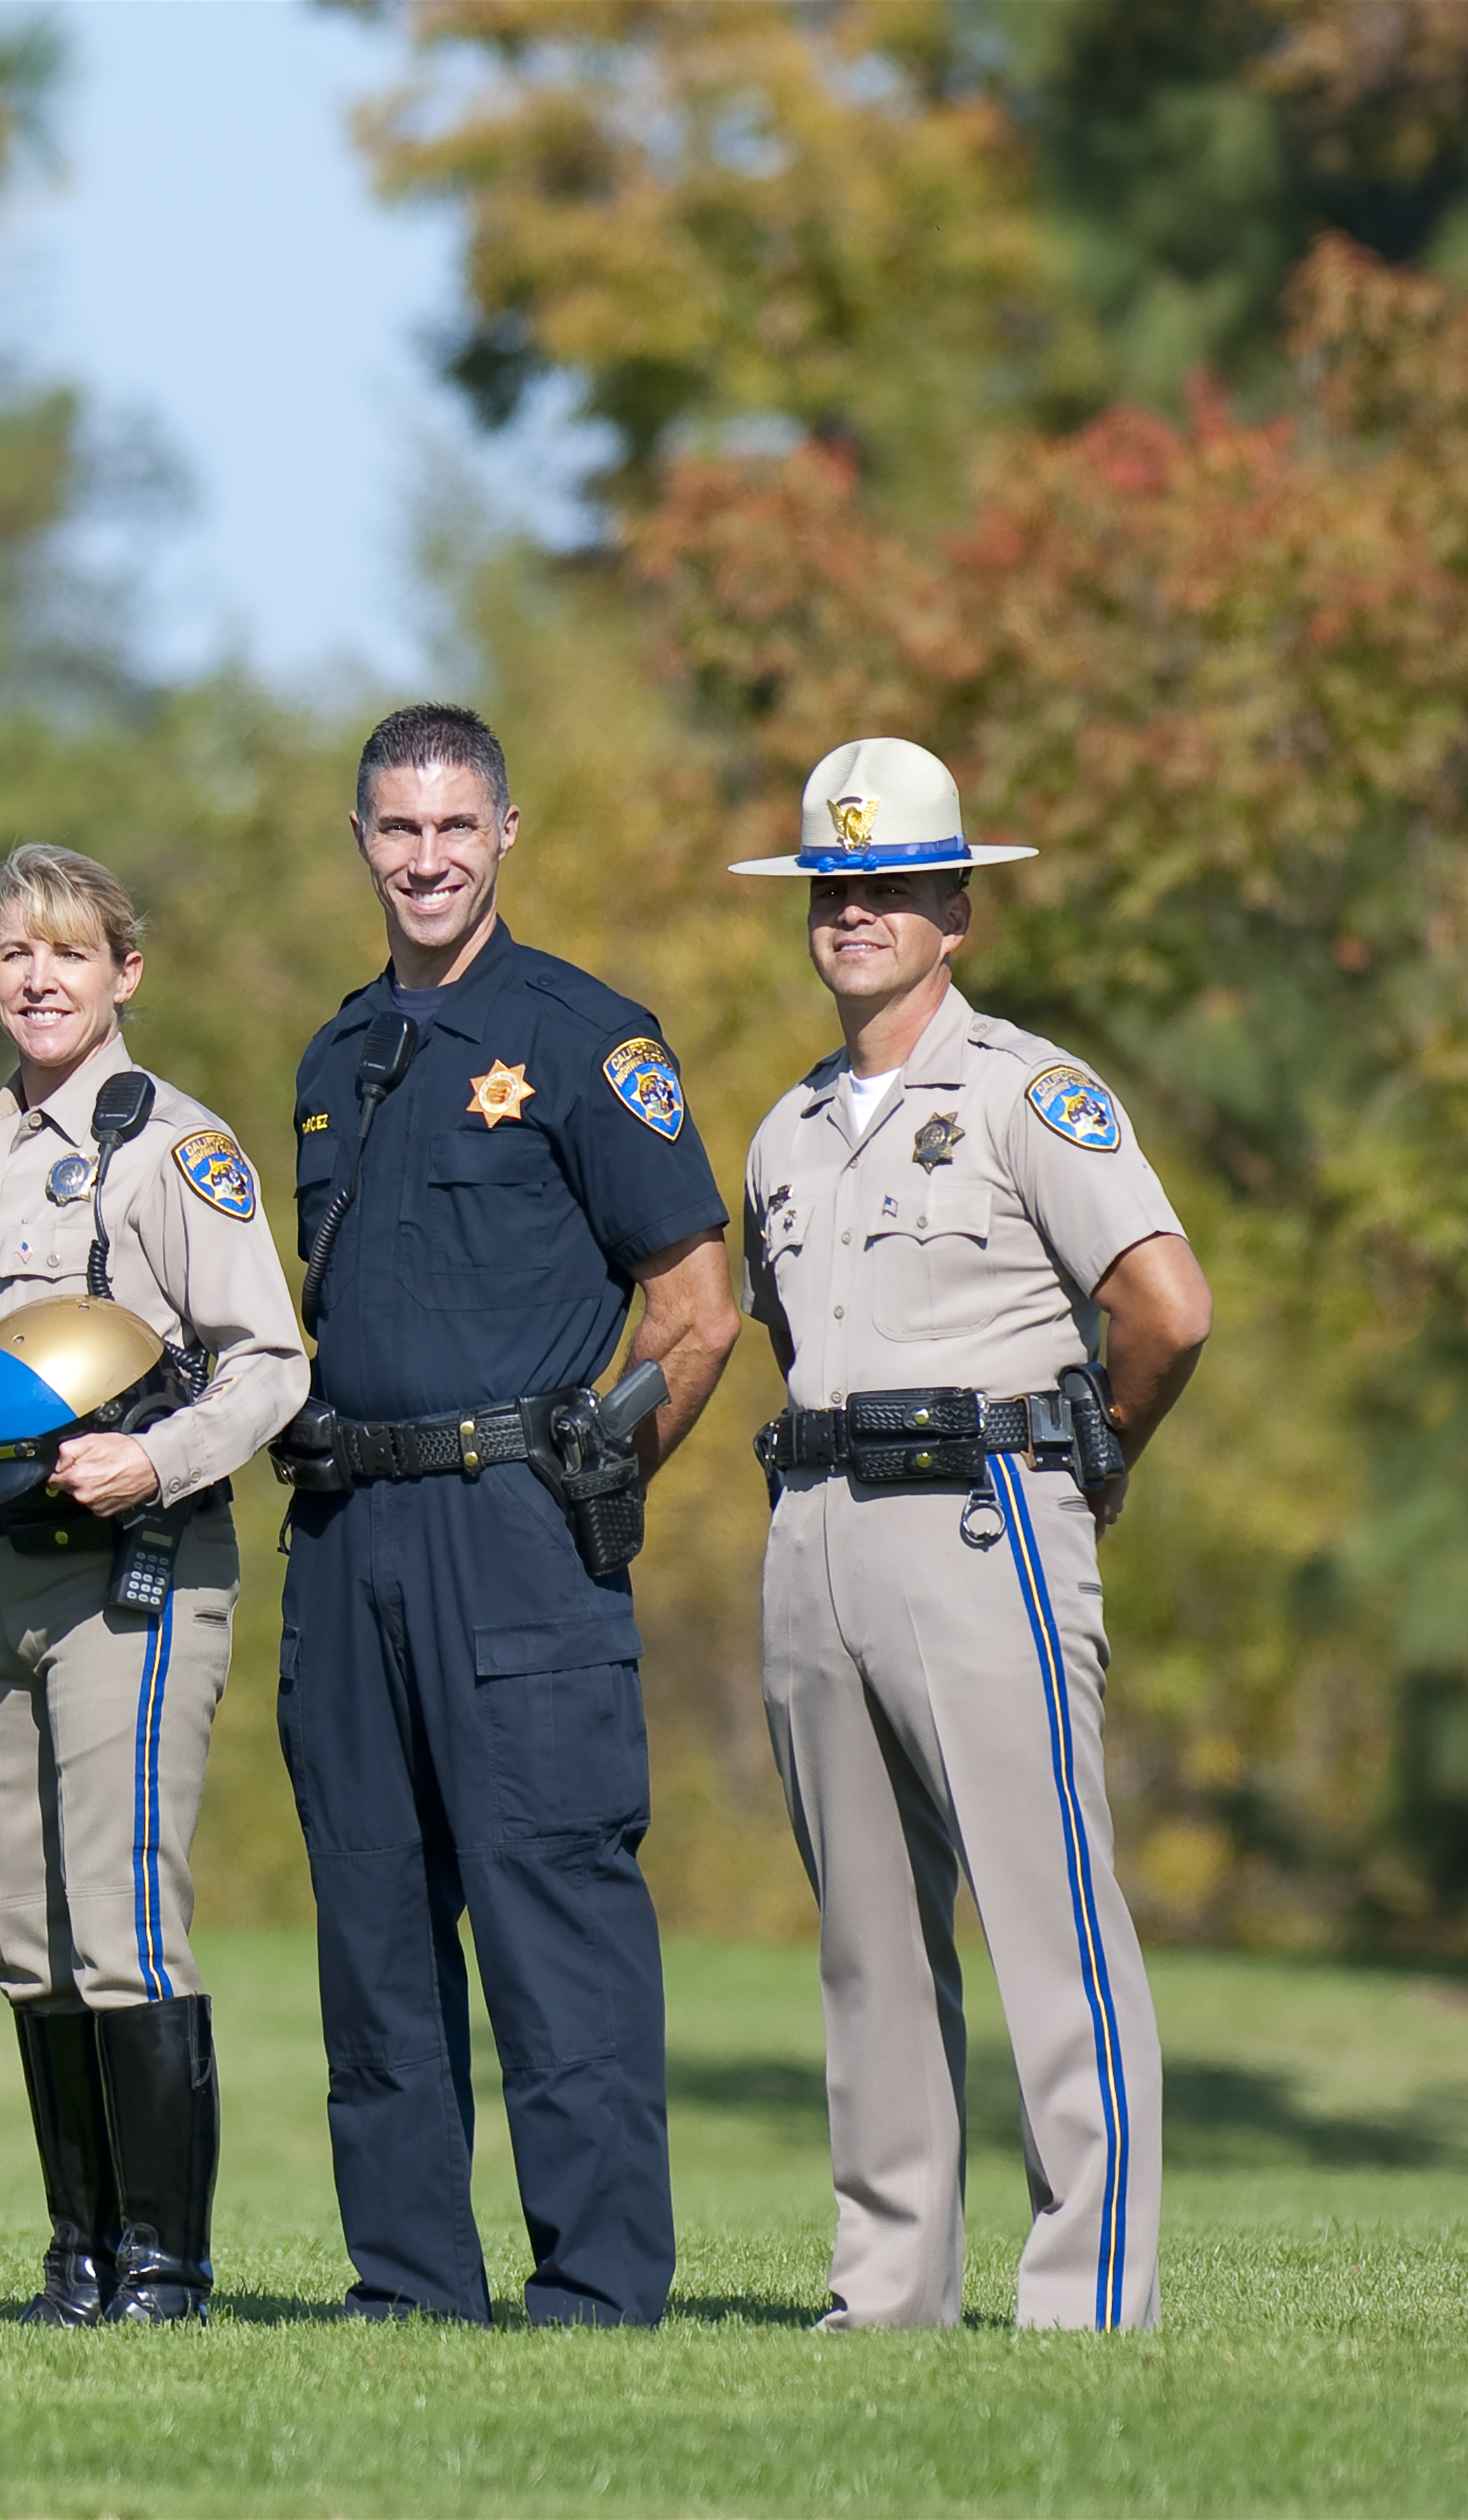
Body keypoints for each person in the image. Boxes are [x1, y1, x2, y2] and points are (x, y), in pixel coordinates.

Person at [732, 737, 1207, 2331]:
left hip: (986, 1511)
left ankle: (1089, 2290)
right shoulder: (783, 1130)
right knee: (870, 1942)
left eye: (887, 884)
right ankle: (890, 2291)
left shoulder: (1025, 1091)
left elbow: (1165, 1305)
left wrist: (1097, 1456)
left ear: (956, 904)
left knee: (1046, 1908)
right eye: (830, 885)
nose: (853, 909)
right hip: (814, 1524)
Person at [272, 702, 737, 2327]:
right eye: (396, 829)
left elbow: (697, 1306)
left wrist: (595, 1483)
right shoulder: (339, 1053)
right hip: (350, 1536)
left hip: (514, 1530)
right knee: (375, 1923)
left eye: (454, 828)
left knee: (556, 1913)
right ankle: (407, 2279)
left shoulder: (587, 1035)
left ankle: (598, 2285)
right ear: (361, 842)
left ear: (506, 835)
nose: (425, 858)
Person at [0, 845, 307, 2325]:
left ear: (124, 973)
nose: (39, 978)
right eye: (16, 952)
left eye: (70, 953)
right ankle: (76, 2253)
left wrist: (158, 1464)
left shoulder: (176, 1147)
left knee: (122, 1918)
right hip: (3, 1579)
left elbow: (271, 1360)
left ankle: (165, 2260)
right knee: (27, 1928)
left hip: (135, 1583)